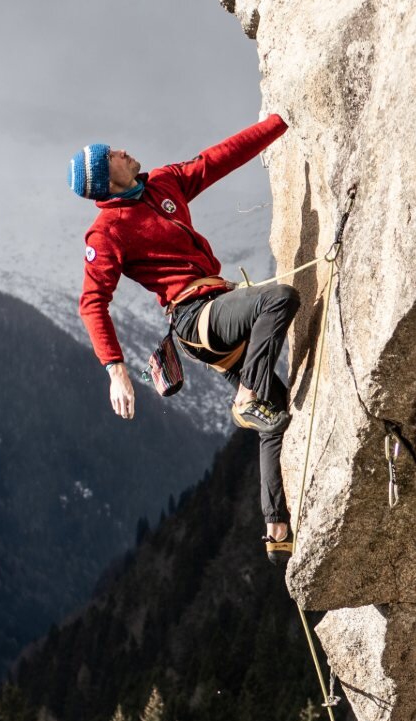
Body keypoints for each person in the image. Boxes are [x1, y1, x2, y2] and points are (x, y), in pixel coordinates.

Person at [72, 114, 297, 555]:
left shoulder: (164, 183)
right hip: (194, 318)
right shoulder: (107, 232)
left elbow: (218, 159)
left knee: (277, 412)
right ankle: (247, 397)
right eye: (112, 155)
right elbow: (91, 302)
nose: (121, 151)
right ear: (107, 180)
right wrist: (116, 371)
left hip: (214, 307)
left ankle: (276, 531)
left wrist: (281, 121)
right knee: (279, 300)